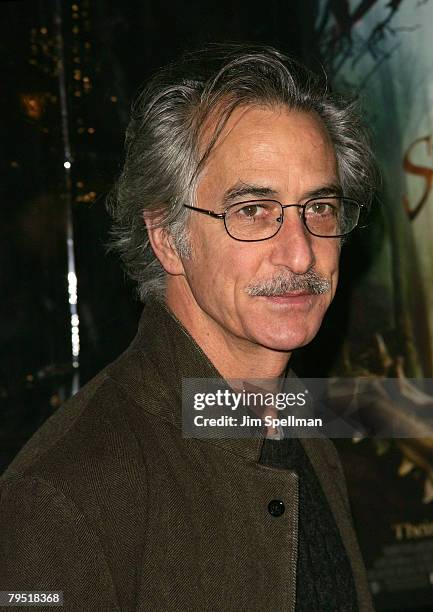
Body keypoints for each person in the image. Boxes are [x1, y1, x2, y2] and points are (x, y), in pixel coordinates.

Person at [0, 45, 376, 611]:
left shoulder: (305, 421)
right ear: (167, 237)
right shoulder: (66, 492)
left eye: (318, 207)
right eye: (252, 210)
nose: (301, 254)